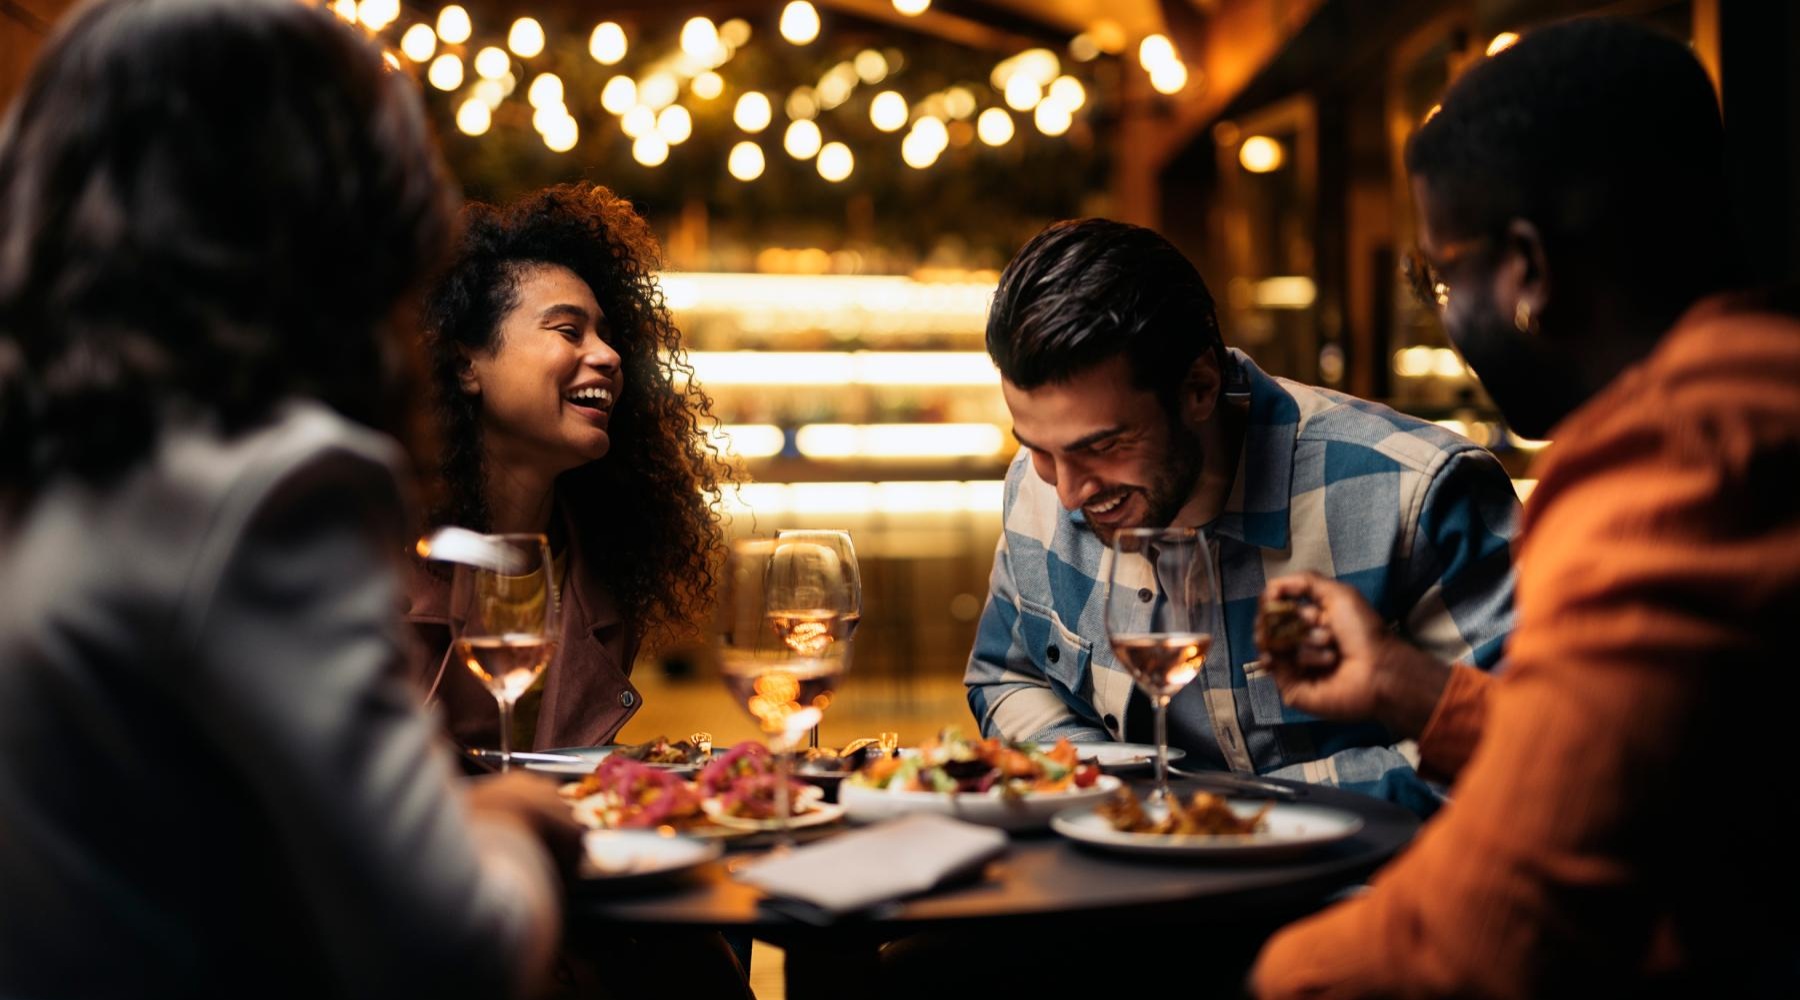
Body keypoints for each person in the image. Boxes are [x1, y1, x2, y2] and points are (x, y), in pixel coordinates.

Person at [0, 1, 577, 996]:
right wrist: (521, 826)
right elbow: (456, 955)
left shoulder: (52, 473)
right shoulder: (269, 492)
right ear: (342, 210)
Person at [1251, 18, 1798, 996]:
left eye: (1439, 274)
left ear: (1529, 270)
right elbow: (1640, 759)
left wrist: (1273, 973)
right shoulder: (1765, 385)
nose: (1446, 315)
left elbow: (1487, 931)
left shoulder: (1666, 459)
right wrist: (1400, 685)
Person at [964, 218, 1519, 811]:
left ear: (1199, 387)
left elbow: (1526, 751)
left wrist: (1228, 813)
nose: (1068, 494)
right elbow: (1007, 676)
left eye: (1101, 446)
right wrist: (1107, 796)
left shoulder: (1419, 492)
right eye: (1039, 448)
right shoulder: (1036, 488)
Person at [409, 184, 730, 753]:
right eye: (568, 330)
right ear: (465, 365)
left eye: (606, 334)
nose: (608, 355)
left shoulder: (602, 569)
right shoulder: (380, 558)